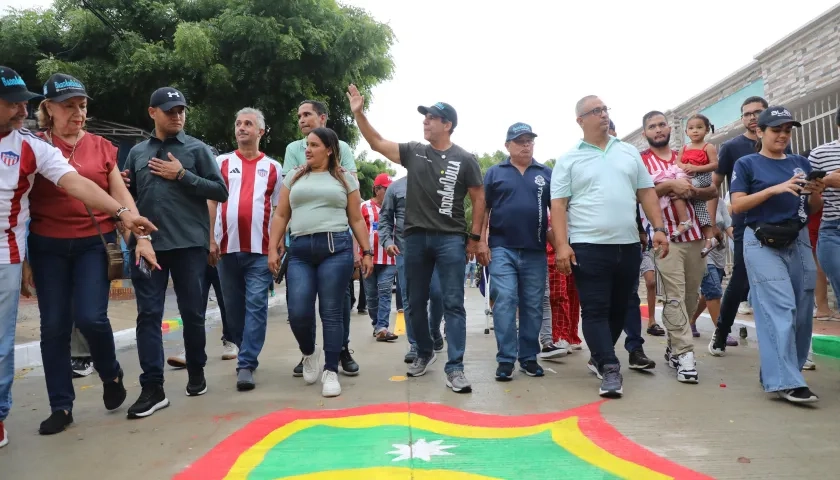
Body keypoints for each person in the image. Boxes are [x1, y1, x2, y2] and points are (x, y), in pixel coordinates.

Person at [0, 66, 156, 448]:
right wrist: (27, 260)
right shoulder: (36, 145)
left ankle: (110, 371)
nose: (78, 113)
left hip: (92, 243)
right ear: (49, 109)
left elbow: (118, 193)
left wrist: (136, 230)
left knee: (90, 317)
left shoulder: (100, 146)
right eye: (69, 106)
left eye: (82, 105)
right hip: (47, 247)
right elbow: (20, 205)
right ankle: (61, 406)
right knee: (53, 327)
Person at [347, 85, 486, 393]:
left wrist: (476, 238)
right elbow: (377, 143)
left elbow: (479, 198)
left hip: (450, 239)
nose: (425, 121)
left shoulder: (465, 159)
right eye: (425, 117)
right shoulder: (414, 151)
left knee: (453, 303)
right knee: (413, 303)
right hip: (414, 240)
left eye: (432, 117)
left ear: (447, 124)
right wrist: (359, 114)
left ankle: (456, 367)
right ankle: (423, 350)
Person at [550, 95, 668, 398]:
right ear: (580, 120)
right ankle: (610, 366)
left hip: (627, 245)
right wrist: (562, 246)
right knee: (595, 309)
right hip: (587, 246)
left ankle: (599, 356)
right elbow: (559, 205)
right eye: (596, 111)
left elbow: (647, 193)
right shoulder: (569, 159)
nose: (603, 114)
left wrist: (658, 228)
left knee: (620, 307)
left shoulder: (628, 152)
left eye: (605, 109)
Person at [122, 86, 229, 419]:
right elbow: (129, 197)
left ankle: (196, 370)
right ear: (152, 112)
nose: (177, 116)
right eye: (170, 111)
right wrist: (125, 186)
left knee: (192, 313)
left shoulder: (197, 149)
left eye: (181, 110)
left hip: (188, 246)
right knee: (148, 315)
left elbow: (220, 191)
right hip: (148, 246)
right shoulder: (137, 153)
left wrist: (182, 175)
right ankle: (152, 387)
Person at [268, 127, 373, 398]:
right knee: (298, 311)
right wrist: (272, 248)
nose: (308, 149)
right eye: (307, 145)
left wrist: (366, 251)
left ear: (329, 149)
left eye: (314, 145)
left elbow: (356, 218)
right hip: (300, 251)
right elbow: (281, 215)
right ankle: (308, 352)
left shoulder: (344, 178)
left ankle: (330, 371)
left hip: (335, 249)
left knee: (331, 312)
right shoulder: (294, 176)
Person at [730, 106, 823, 404]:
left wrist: (816, 190)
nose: (783, 135)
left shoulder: (800, 162)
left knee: (802, 310)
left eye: (787, 130)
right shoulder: (747, 163)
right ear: (760, 131)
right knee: (780, 307)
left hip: (798, 239)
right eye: (776, 130)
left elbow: (812, 207)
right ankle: (787, 381)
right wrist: (776, 189)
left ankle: (783, 373)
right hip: (761, 240)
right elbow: (737, 206)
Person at [638, 110, 720, 384]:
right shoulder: (641, 162)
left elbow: (712, 190)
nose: (658, 129)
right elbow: (639, 195)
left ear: (670, 128)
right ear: (645, 133)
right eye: (652, 126)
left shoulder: (685, 156)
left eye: (662, 124)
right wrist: (670, 185)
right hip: (666, 238)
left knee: (690, 297)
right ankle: (685, 355)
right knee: (674, 296)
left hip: (695, 236)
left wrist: (691, 191)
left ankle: (673, 348)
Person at [284, 99, 360, 377]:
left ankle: (340, 351)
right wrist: (279, 242)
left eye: (307, 114)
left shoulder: (344, 148)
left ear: (322, 118)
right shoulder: (293, 149)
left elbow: (350, 188)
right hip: (301, 239)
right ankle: (308, 352)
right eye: (299, 115)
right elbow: (288, 194)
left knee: (336, 305)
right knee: (300, 306)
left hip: (336, 240)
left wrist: (360, 249)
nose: (302, 120)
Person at [710, 96, 791, 355]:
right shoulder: (732, 148)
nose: (752, 117)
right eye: (747, 114)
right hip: (746, 225)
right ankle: (722, 332)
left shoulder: (780, 142)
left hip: (781, 225)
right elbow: (714, 187)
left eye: (758, 112)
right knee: (741, 279)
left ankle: (790, 345)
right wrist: (713, 224)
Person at [209, 108, 281, 391]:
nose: (241, 128)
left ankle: (247, 363)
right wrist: (210, 238)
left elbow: (279, 210)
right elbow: (212, 202)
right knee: (233, 309)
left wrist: (276, 246)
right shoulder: (222, 162)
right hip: (226, 249)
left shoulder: (273, 168)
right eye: (238, 123)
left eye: (248, 124)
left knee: (257, 306)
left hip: (260, 251)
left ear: (260, 131)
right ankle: (244, 348)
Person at [483, 122, 552, 380]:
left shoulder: (545, 173)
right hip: (502, 248)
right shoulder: (495, 173)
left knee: (533, 305)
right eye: (520, 141)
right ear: (507, 145)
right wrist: (479, 241)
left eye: (529, 141)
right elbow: (484, 209)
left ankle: (528, 357)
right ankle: (505, 359)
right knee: (505, 300)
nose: (526, 145)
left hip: (535, 250)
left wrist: (562, 246)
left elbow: (555, 211)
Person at [378, 176, 445, 363]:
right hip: (404, 251)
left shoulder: (438, 182)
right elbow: (385, 218)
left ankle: (433, 330)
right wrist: (387, 242)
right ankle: (416, 344)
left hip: (435, 250)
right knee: (410, 299)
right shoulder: (395, 188)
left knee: (438, 294)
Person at [675, 114, 719, 255]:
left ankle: (685, 221)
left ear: (706, 130)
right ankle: (710, 238)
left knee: (681, 190)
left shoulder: (708, 147)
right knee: (700, 209)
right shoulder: (684, 148)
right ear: (686, 131)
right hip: (688, 176)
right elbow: (678, 162)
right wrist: (684, 166)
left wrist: (696, 168)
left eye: (699, 127)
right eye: (691, 128)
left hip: (703, 177)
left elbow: (714, 164)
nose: (695, 131)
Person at [361, 173, 398, 341]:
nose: (391, 192)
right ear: (377, 190)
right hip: (367, 259)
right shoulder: (364, 207)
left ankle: (382, 327)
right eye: (387, 189)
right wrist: (357, 255)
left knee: (385, 292)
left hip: (390, 259)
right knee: (371, 296)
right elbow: (357, 231)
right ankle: (377, 325)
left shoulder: (396, 209)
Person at [689, 197, 732, 337]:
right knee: (714, 291)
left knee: (708, 292)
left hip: (719, 254)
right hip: (702, 253)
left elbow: (728, 225)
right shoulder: (694, 200)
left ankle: (691, 319)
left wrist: (741, 241)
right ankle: (721, 333)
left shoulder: (719, 202)